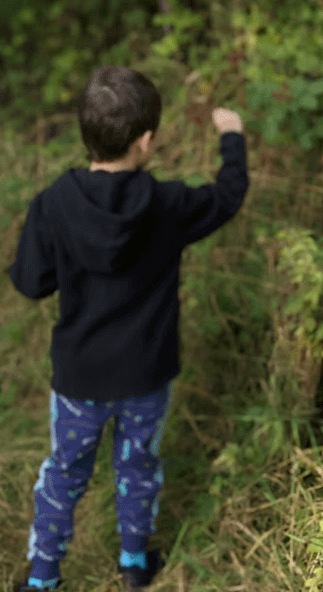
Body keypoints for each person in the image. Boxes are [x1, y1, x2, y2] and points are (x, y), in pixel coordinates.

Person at [7, 66, 248, 591]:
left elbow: (30, 282)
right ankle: (135, 565)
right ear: (146, 141)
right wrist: (231, 136)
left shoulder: (51, 204)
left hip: (79, 380)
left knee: (64, 474)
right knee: (138, 467)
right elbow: (227, 197)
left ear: (85, 134)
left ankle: (43, 577)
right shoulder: (167, 205)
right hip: (146, 373)